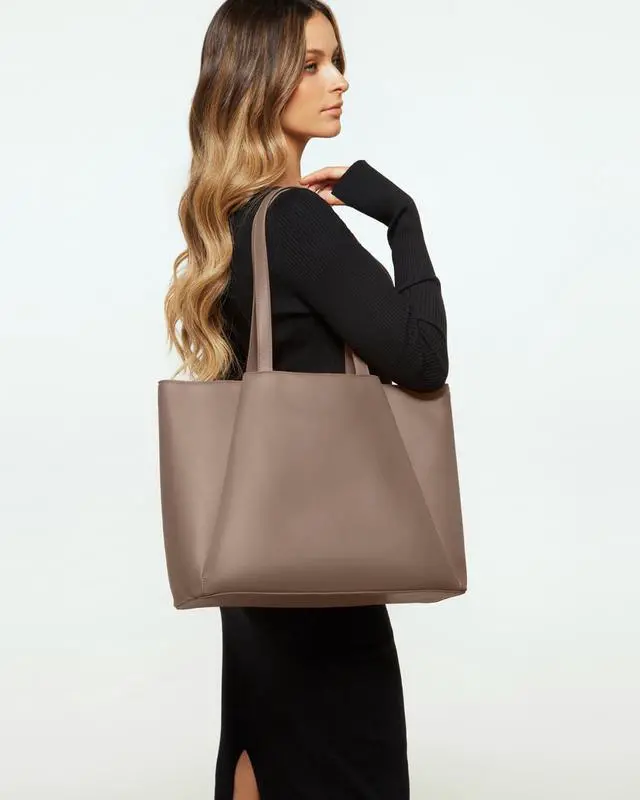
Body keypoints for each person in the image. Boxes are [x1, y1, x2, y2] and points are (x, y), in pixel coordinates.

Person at [163, 1, 449, 797]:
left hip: (264, 573)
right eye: (312, 64)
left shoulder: (234, 221)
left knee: (262, 754)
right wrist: (401, 218)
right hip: (324, 576)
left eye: (337, 60)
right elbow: (422, 360)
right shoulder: (292, 219)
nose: (339, 80)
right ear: (257, 80)